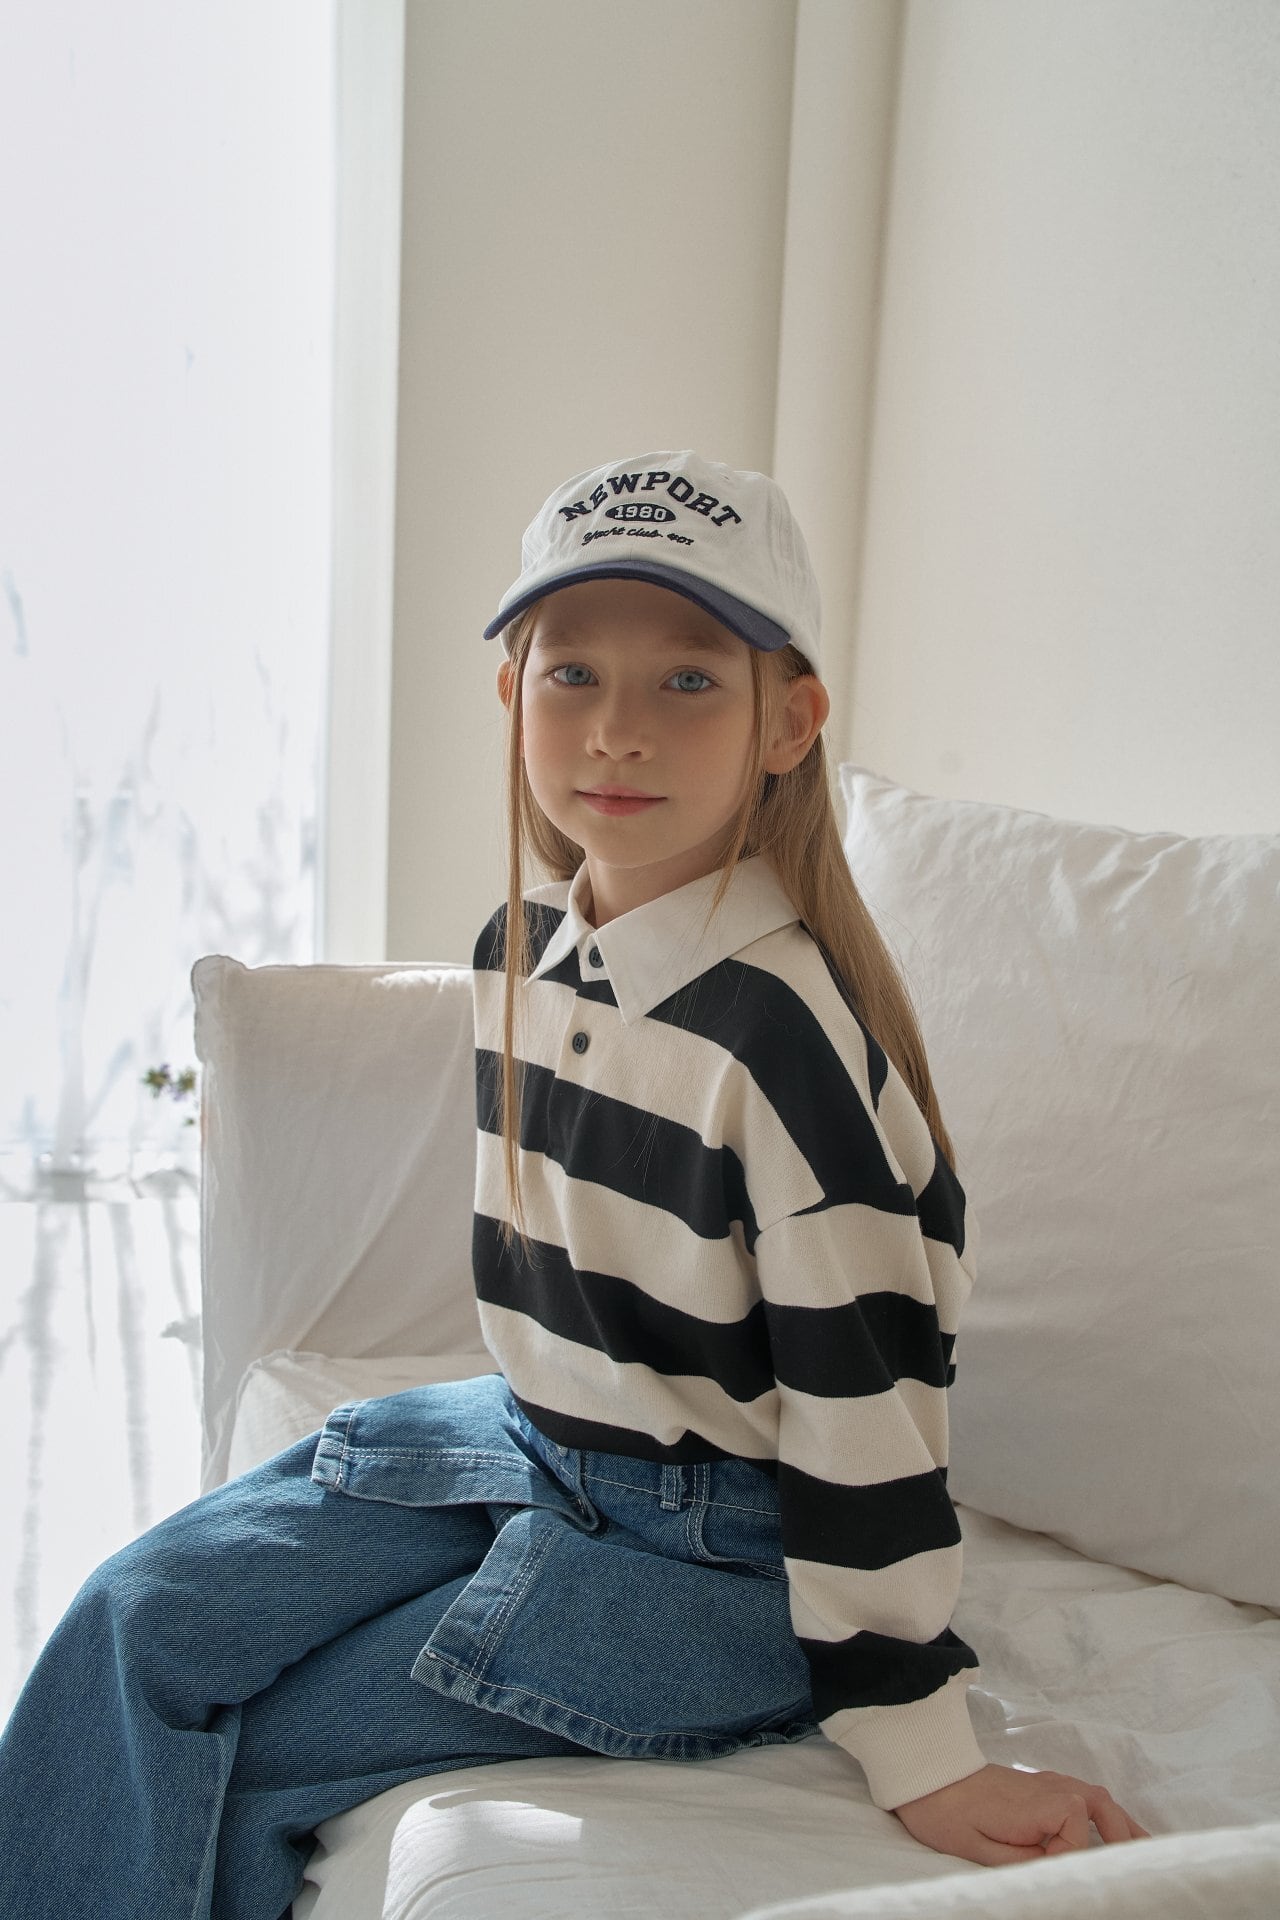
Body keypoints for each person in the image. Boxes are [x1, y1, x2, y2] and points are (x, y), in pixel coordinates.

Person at [0, 451, 1149, 1918]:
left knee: (253, 1756)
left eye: (689, 681)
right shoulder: (519, 953)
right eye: (573, 674)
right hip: (532, 1437)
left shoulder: (782, 1046)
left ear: (787, 722)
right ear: (512, 694)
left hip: (719, 1554)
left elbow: (870, 1411)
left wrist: (924, 1751)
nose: (617, 729)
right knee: (132, 1616)